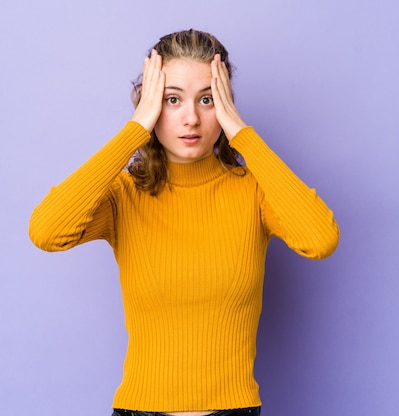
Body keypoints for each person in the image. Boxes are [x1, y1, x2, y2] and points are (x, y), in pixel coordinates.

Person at [29, 29, 340, 416]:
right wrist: (133, 131)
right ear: (150, 105)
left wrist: (242, 134)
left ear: (225, 105)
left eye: (207, 100)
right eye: (171, 100)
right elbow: (46, 231)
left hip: (235, 410)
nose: (190, 118)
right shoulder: (125, 195)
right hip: (140, 411)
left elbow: (321, 239)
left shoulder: (254, 192)